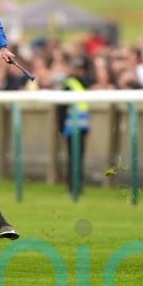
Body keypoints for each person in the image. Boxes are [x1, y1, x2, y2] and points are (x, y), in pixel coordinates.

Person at [56, 56, 91, 196]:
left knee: (77, 159)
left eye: (81, 68)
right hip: (72, 127)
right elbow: (61, 108)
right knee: (74, 159)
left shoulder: (81, 83)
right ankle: (73, 187)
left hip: (81, 127)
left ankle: (77, 186)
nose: (79, 71)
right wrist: (61, 127)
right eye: (77, 68)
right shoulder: (69, 83)